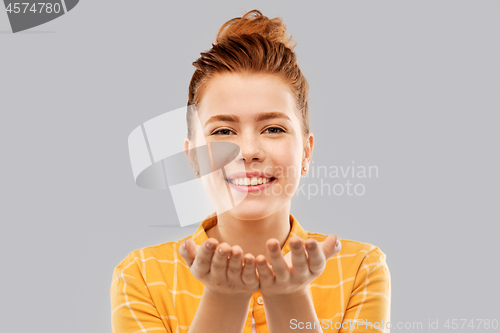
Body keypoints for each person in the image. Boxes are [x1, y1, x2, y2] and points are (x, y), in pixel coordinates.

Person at [110, 9, 390, 333]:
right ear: (194, 157)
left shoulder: (360, 269)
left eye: (272, 129)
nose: (249, 152)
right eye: (223, 132)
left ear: (307, 150)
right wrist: (223, 299)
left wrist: (290, 297)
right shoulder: (142, 275)